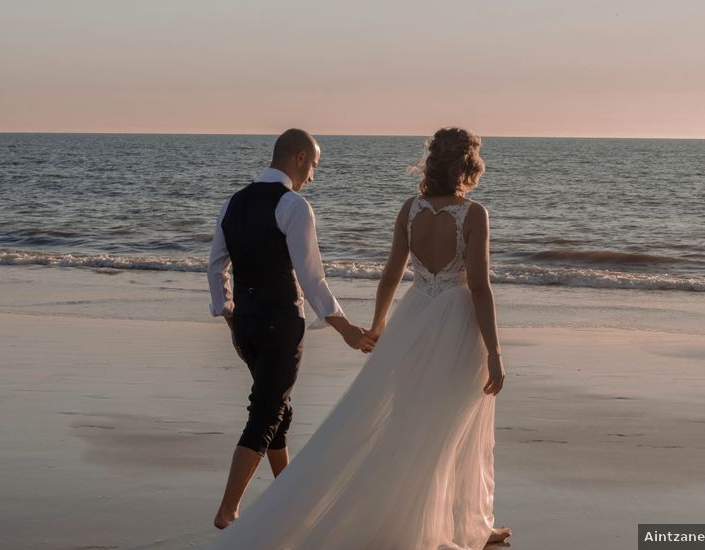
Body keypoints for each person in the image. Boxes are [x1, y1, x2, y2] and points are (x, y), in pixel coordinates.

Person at [209, 127, 512, 549]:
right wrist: (495, 352)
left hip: (414, 318)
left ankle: (429, 519)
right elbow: (479, 287)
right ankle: (468, 525)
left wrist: (380, 325)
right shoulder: (474, 214)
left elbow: (391, 274)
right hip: (457, 325)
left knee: (410, 421)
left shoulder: (410, 210)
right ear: (469, 165)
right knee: (457, 427)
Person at [206, 128, 369, 530]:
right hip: (280, 324)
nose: (313, 175)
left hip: (245, 324)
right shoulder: (293, 205)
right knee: (266, 412)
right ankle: (228, 510)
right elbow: (311, 278)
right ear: (298, 158)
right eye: (313, 165)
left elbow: (215, 266)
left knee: (278, 407)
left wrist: (228, 314)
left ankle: (287, 494)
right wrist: (343, 326)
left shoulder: (233, 202)